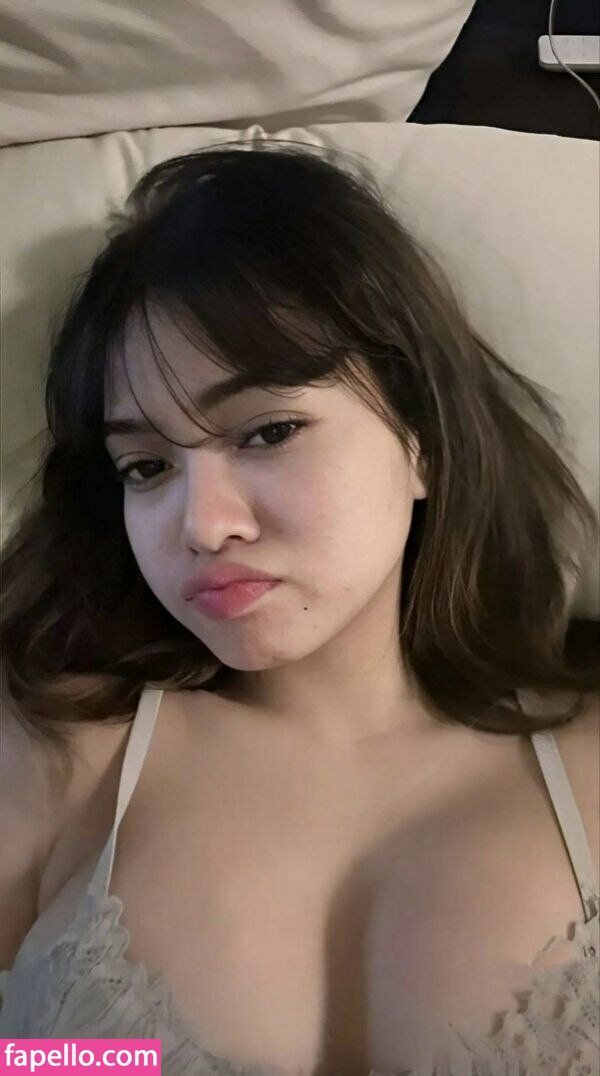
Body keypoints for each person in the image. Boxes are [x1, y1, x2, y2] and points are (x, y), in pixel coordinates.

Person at [0, 138, 598, 1076]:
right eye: (146, 467)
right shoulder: (57, 750)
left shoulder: (589, 768)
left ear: (422, 439)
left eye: (268, 431)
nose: (203, 525)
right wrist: (90, 1061)